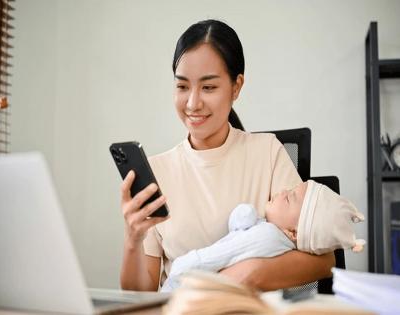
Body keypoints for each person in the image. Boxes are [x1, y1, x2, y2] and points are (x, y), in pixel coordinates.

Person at [119, 19, 335, 292]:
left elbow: (323, 261)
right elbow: (140, 295)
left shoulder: (267, 152)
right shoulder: (156, 171)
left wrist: (245, 276)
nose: (192, 103)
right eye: (182, 86)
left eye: (208, 87)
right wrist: (132, 239)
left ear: (236, 87)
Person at [160, 180, 366, 292]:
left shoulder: (267, 236)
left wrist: (183, 267)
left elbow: (221, 253)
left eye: (289, 198)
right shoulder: (274, 239)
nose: (283, 190)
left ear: (293, 232)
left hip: (185, 287)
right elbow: (238, 229)